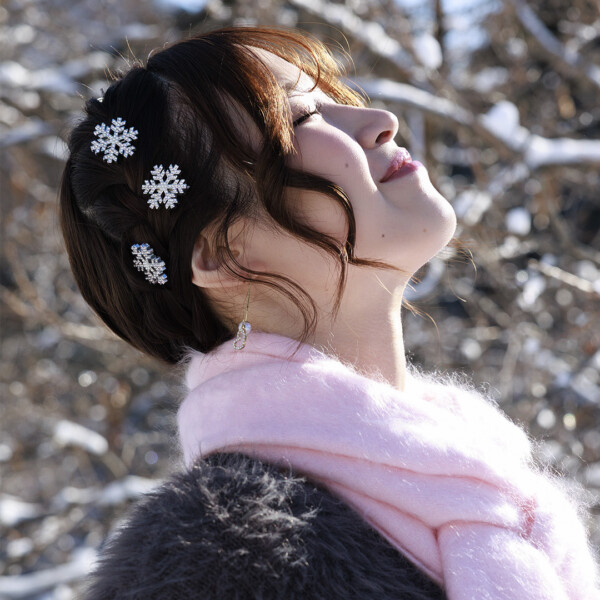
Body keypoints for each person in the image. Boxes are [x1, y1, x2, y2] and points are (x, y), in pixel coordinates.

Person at [59, 27, 598, 600]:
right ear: (221, 251)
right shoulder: (220, 570)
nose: (381, 120)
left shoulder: (489, 480)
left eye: (339, 95)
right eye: (303, 117)